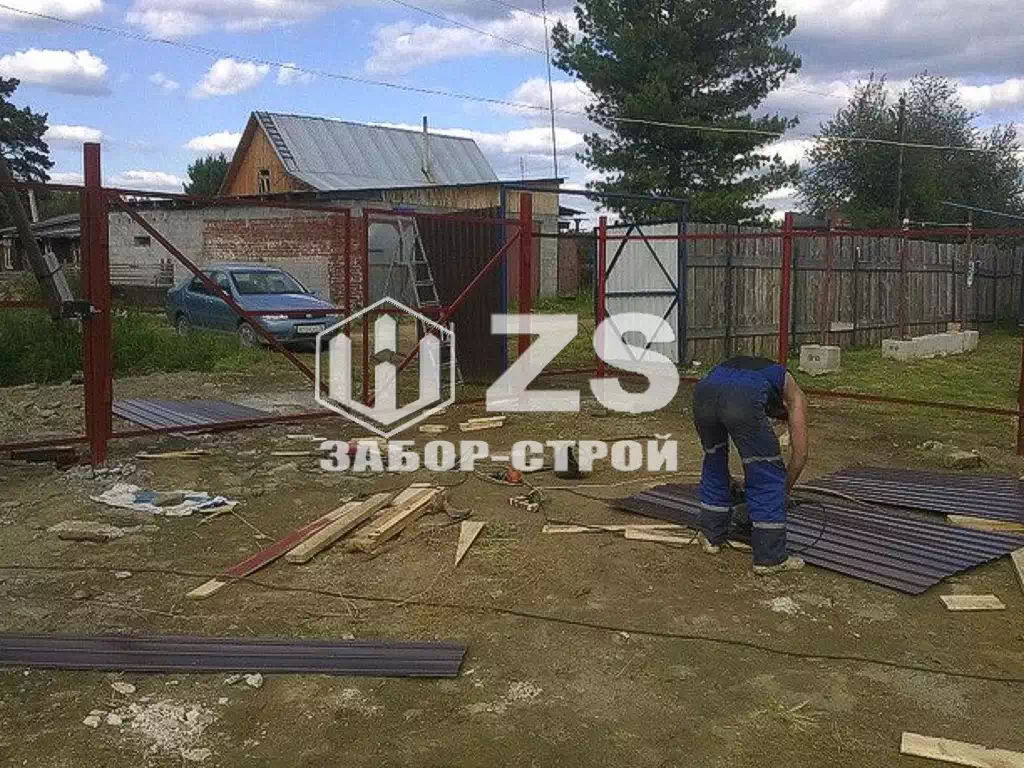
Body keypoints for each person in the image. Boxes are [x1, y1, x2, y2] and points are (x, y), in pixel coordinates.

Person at [691, 355, 808, 574]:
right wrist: (782, 491)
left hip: (704, 391)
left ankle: (711, 536)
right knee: (766, 470)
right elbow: (800, 456)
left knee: (714, 459)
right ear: (782, 406)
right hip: (743, 394)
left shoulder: (759, 370)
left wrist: (731, 483)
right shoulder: (794, 395)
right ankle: (770, 558)